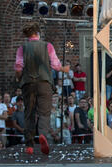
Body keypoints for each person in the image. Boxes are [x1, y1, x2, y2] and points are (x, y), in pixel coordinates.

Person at [14, 22, 70, 154]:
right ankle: (43, 134)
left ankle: (29, 145)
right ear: (38, 34)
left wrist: (19, 78)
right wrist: (64, 69)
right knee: (44, 113)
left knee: (29, 112)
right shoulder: (47, 46)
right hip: (44, 83)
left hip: (28, 83)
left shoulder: (22, 47)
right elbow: (56, 65)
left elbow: (18, 66)